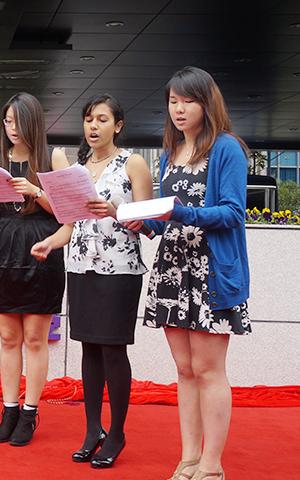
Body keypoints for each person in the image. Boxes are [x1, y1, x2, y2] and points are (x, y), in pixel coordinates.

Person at [30, 94, 153, 468]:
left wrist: (117, 212)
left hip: (120, 270)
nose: (93, 126)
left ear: (118, 125)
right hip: (81, 267)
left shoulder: (133, 163)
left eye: (102, 119)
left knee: (113, 350)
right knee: (88, 350)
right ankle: (92, 428)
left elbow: (148, 223)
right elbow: (69, 224)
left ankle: (116, 433)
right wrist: (49, 243)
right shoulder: (78, 168)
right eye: (88, 119)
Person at [140, 66, 250, 480]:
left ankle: (212, 464)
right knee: (184, 371)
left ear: (207, 102)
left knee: (208, 370)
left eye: (188, 100)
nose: (179, 109)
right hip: (172, 269)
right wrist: (140, 222)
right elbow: (164, 219)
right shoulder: (169, 153)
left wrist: (178, 212)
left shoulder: (227, 148)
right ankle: (188, 458)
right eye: (173, 101)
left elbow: (233, 213)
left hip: (210, 272)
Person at [0, 92, 68, 446]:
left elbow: (66, 211)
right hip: (3, 249)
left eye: (17, 121)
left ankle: (30, 412)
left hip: (41, 250)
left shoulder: (51, 156)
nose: (11, 129)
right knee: (9, 339)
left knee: (36, 339)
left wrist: (35, 191)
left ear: (33, 121)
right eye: (7, 121)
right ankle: (9, 410)